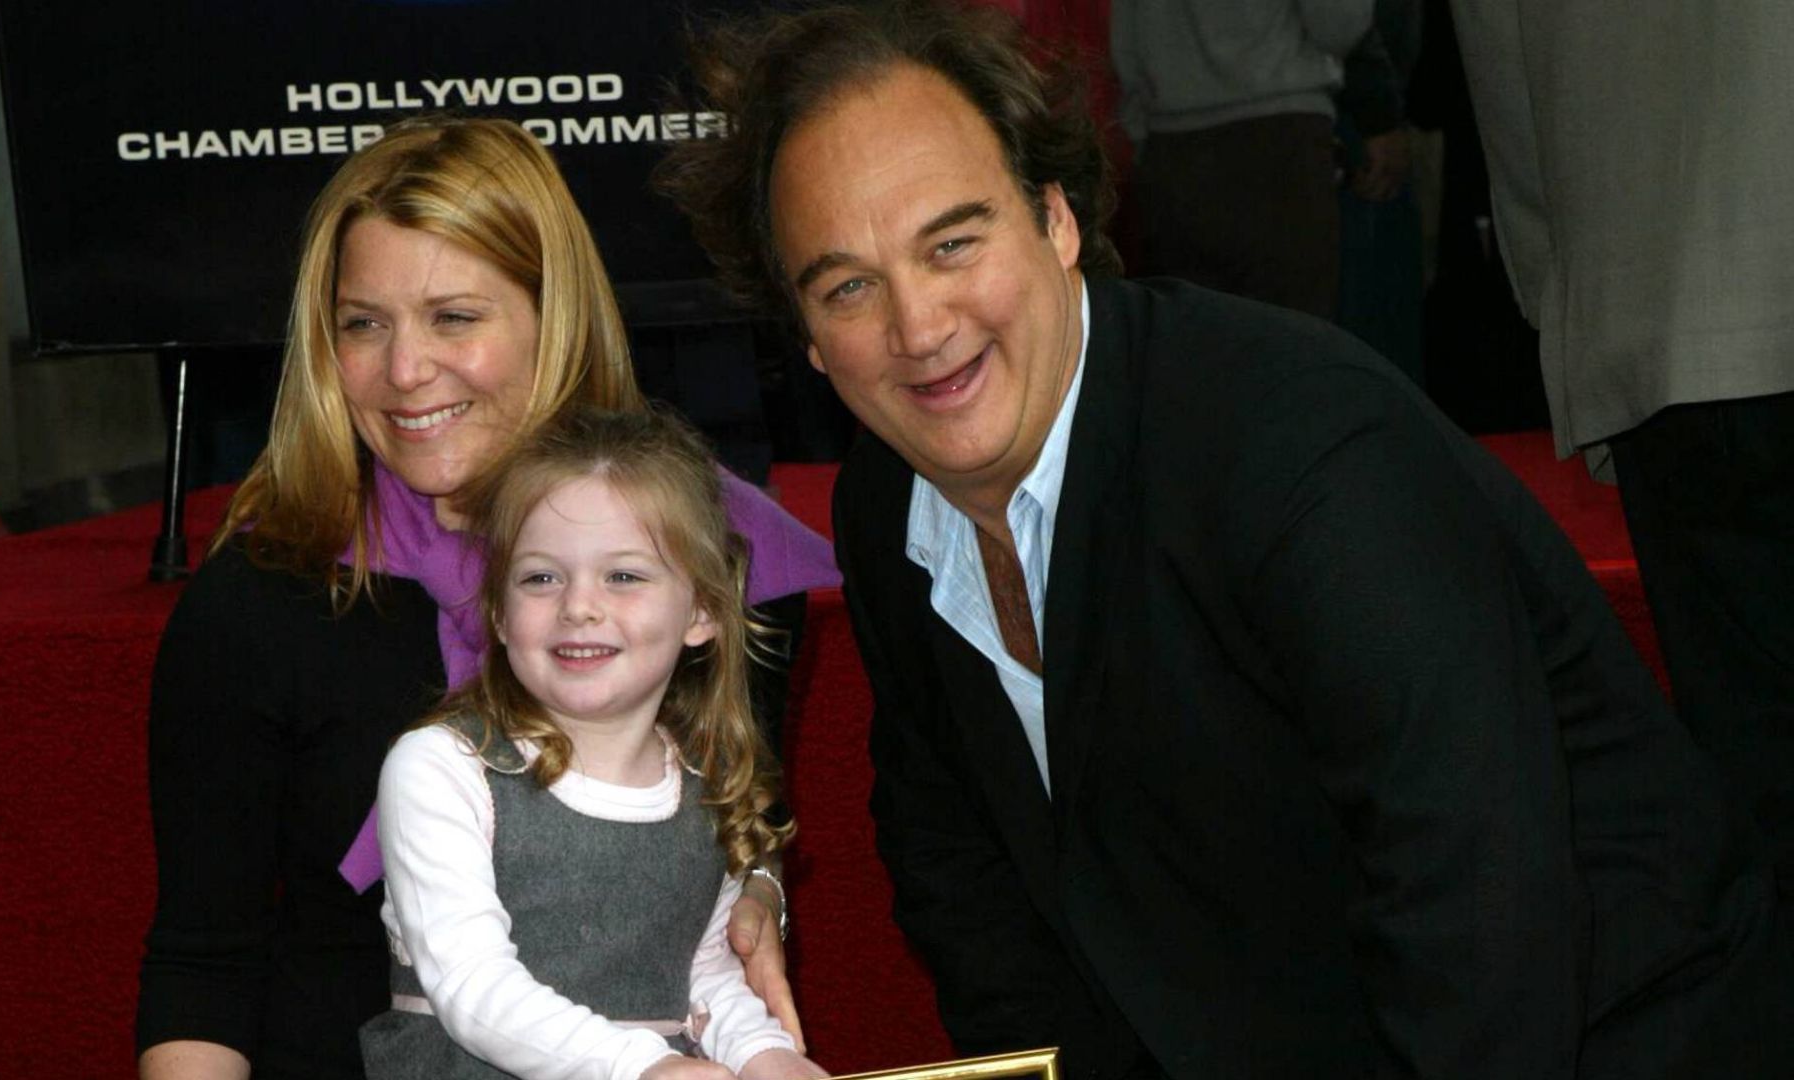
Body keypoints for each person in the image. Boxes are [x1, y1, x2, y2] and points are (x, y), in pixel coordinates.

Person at [657, 2, 1792, 1077]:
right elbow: (970, 889)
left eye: (953, 243)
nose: (919, 327)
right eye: (849, 288)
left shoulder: (1301, 455)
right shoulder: (886, 502)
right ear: (803, 338)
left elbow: (1481, 918)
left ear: (1055, 221)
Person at [138, 118, 839, 1080]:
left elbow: (732, 831)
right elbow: (203, 962)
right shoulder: (264, 600)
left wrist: (760, 888)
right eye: (363, 323)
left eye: (454, 316)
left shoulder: (715, 563)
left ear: (554, 318)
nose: (405, 370)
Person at [1451, 0, 1794, 925]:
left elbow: (1499, 72)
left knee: (1755, 780)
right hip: (1691, 307)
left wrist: (1559, 295)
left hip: (1656, 311)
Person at [361, 407, 829, 1080]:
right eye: (541, 577)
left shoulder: (710, 785)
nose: (579, 605)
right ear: (496, 609)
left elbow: (705, 979)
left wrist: (765, 1054)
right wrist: (642, 1067)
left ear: (702, 609)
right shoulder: (444, 767)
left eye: (625, 576)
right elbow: (472, 988)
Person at [1109, 0, 1372, 317]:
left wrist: (1142, 133)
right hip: (1280, 137)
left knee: (1192, 341)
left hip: (1172, 143)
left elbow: (1125, 42)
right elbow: (1339, 24)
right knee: (1291, 342)